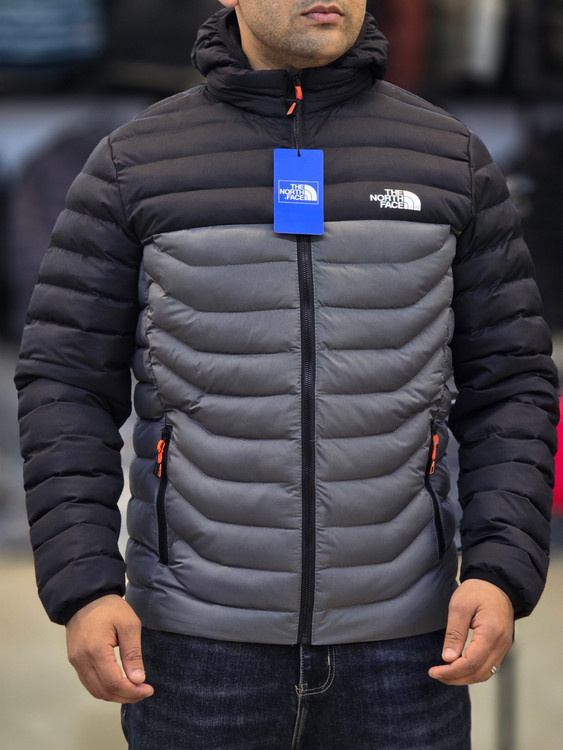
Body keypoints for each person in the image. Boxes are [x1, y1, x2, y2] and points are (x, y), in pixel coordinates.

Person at [15, 2, 559, 748]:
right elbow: (66, 382)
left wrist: (499, 569)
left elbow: (512, 380)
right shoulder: (134, 165)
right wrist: (83, 585)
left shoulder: (449, 160)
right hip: (196, 648)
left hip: (407, 649)